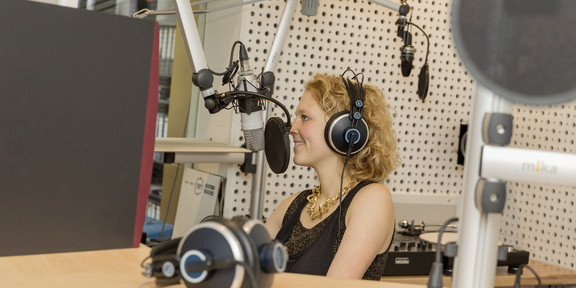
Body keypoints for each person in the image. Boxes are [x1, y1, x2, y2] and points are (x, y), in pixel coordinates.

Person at [265, 72, 399, 280]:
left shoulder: (372, 200)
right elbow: (243, 266)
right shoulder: (294, 204)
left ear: (343, 130)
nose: (292, 129)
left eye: (305, 117)